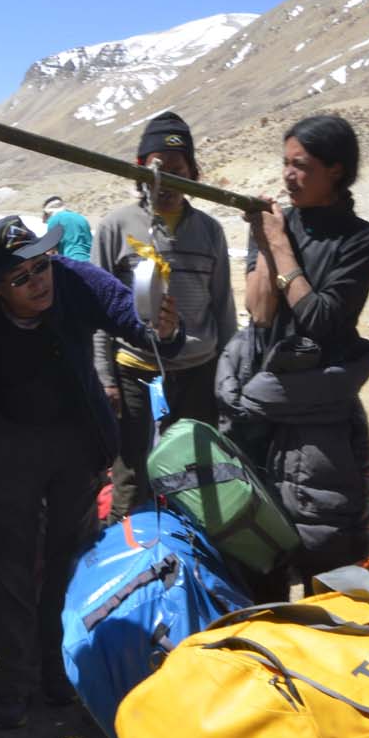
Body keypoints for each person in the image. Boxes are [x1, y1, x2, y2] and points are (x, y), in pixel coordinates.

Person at [0, 216, 183, 729]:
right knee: (9, 564)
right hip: (5, 446)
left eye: (42, 266)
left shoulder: (76, 280)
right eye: (22, 277)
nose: (40, 282)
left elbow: (135, 318)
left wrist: (164, 326)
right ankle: (14, 679)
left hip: (76, 443)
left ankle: (62, 670)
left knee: (69, 558)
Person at [226, 114, 369, 597]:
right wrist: (264, 243)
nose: (287, 176)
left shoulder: (362, 241)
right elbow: (258, 312)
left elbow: (320, 319)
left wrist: (279, 245)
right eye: (285, 164)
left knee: (327, 562)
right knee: (256, 556)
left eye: (301, 166)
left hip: (321, 420)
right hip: (263, 410)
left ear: (336, 170)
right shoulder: (281, 225)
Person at [91, 112, 237, 521]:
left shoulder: (209, 230)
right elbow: (97, 314)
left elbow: (222, 306)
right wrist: (104, 379)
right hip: (134, 376)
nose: (167, 179)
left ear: (192, 171)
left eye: (177, 169)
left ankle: (193, 564)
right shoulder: (116, 227)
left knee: (198, 477)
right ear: (139, 171)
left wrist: (226, 379)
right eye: (157, 169)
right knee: (132, 479)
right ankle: (131, 567)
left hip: (198, 373)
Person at [41, 194, 93, 260]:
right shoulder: (80, 217)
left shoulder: (54, 220)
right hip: (92, 261)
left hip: (73, 261)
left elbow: (50, 250)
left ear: (48, 212)